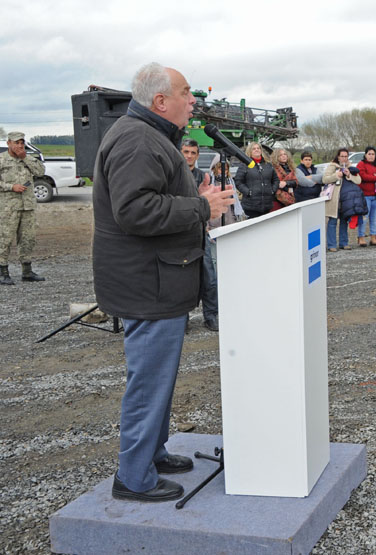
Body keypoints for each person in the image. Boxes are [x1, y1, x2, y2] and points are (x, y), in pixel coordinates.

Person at [92, 62, 234, 502]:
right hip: (147, 284)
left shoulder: (150, 135)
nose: (194, 101)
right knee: (149, 381)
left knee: (160, 379)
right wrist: (200, 208)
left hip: (156, 280)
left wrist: (198, 200)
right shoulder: (137, 140)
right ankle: (133, 478)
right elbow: (134, 211)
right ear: (160, 101)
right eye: (187, 93)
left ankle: (153, 452)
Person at [180, 139, 218, 331]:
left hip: (201, 232)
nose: (188, 156)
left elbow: (210, 202)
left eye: (192, 152)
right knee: (183, 278)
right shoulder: (174, 176)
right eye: (186, 151)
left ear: (197, 155)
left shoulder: (203, 176)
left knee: (209, 277)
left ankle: (211, 315)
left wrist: (209, 225)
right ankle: (182, 319)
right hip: (180, 233)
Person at [0, 131, 46, 285]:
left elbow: (40, 172)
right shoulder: (1, 160)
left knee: (27, 239)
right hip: (8, 207)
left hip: (28, 206)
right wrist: (11, 186)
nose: (19, 146)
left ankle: (27, 271)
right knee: (4, 239)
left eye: (21, 142)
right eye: (16, 142)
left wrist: (25, 157)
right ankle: (3, 272)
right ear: (8, 144)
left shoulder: (28, 159)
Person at [322, 148, 360, 251]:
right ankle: (331, 245)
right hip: (335, 199)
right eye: (342, 156)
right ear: (338, 156)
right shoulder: (332, 166)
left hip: (346, 200)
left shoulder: (351, 167)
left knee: (344, 221)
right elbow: (324, 179)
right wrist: (336, 175)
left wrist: (349, 175)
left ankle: (344, 243)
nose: (344, 158)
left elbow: (359, 180)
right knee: (333, 221)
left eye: (346, 156)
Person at [233, 142, 278, 219]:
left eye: (258, 148)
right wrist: (248, 192)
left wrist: (272, 190)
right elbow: (238, 181)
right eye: (254, 149)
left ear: (261, 150)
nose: (256, 150)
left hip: (267, 204)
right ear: (250, 151)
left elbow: (276, 180)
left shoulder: (268, 165)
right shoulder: (244, 165)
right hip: (250, 205)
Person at [356, 146, 376, 246]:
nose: (371, 156)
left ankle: (373, 237)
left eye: (373, 154)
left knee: (374, 218)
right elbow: (362, 176)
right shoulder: (361, 164)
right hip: (365, 195)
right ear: (365, 155)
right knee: (364, 218)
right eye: (369, 154)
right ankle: (361, 237)